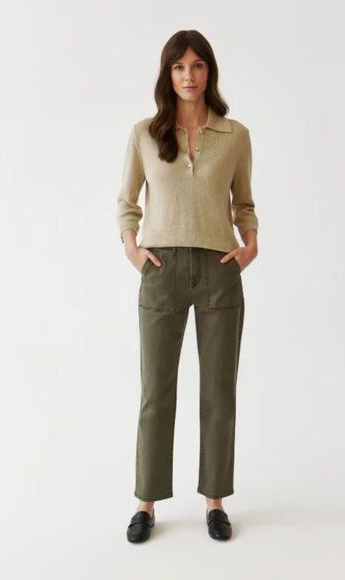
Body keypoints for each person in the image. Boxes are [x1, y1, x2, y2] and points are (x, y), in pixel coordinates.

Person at [117, 30, 259, 543]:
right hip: (162, 270)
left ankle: (215, 501)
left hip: (219, 268)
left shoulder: (235, 135)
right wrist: (133, 249)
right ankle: (146, 502)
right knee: (156, 391)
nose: (189, 75)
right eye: (179, 67)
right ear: (167, 74)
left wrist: (250, 243)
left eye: (197, 65)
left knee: (219, 391)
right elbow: (127, 202)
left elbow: (244, 203)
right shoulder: (144, 133)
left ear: (209, 71)